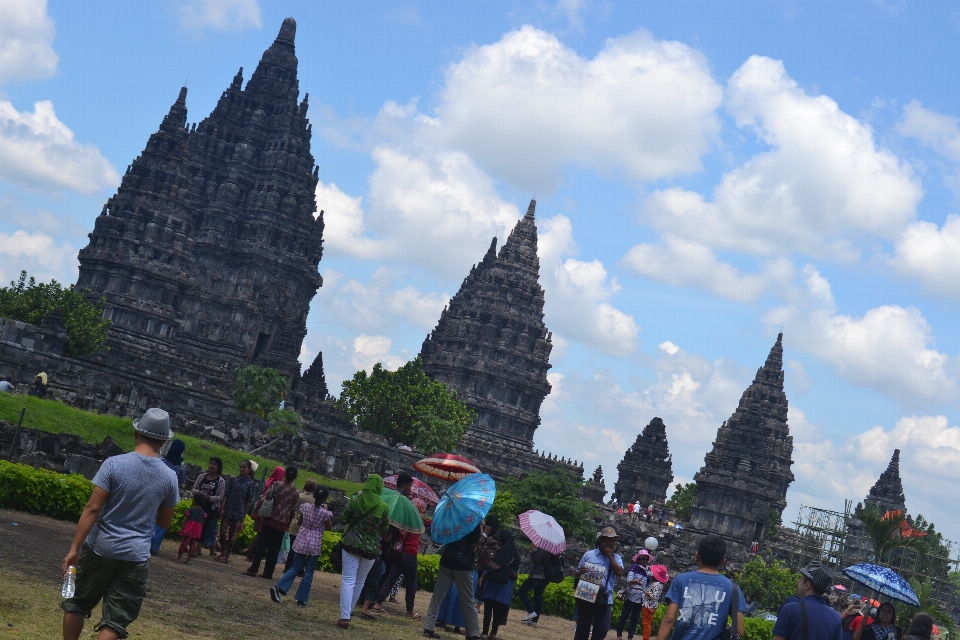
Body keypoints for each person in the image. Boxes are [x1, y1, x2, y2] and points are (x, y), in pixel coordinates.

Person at [60, 407, 179, 640]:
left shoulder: (114, 464)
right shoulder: (169, 477)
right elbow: (164, 521)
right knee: (115, 620)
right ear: (164, 441)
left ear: (136, 433)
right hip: (135, 555)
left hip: (100, 547)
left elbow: (93, 508)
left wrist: (74, 548)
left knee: (78, 603)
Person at [656, 536, 746, 640]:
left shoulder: (681, 580)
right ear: (722, 561)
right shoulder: (733, 588)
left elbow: (669, 619)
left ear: (697, 556)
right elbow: (739, 631)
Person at [337, 474, 391, 629]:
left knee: (348, 580)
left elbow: (342, 519)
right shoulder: (383, 508)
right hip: (370, 549)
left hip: (351, 545)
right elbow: (385, 530)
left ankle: (345, 616)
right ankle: (347, 614)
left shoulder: (355, 501)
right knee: (359, 582)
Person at [270, 486, 332, 608]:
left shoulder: (305, 508)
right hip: (314, 542)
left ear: (313, 496)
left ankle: (278, 586)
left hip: (302, 539)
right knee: (308, 572)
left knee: (294, 567)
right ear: (325, 499)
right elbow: (329, 527)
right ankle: (301, 599)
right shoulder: (325, 513)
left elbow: (299, 522)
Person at [423, 519, 484, 640]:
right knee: (467, 599)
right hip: (463, 565)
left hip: (447, 560)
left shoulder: (452, 519)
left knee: (437, 596)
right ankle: (473, 633)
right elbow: (474, 546)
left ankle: (428, 627)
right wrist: (481, 529)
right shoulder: (473, 523)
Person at [371, 484, 423, 619]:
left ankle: (378, 603)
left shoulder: (402, 521)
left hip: (399, 554)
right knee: (411, 584)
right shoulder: (416, 523)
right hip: (410, 555)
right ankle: (410, 610)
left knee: (391, 579)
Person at [244, 466, 300, 580]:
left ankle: (254, 568)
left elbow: (264, 497)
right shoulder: (295, 492)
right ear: (295, 477)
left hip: (270, 520)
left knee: (262, 546)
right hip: (282, 524)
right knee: (274, 549)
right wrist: (287, 524)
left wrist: (255, 510)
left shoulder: (277, 485)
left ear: (285, 475)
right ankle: (268, 572)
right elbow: (293, 510)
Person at [575, 527, 625, 640]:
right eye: (608, 540)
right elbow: (577, 572)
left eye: (613, 540)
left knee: (602, 629)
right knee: (582, 628)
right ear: (602, 540)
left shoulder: (617, 558)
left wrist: (610, 556)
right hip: (587, 594)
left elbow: (619, 572)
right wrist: (580, 573)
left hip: (605, 597)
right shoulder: (589, 555)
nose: (611, 543)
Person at [773, 560, 843, 640]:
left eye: (800, 579)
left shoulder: (790, 609)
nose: (797, 582)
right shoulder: (836, 618)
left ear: (807, 585)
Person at [478, 526, 520, 639]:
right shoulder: (516, 555)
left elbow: (492, 566)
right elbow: (515, 573)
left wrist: (483, 576)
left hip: (493, 584)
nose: (499, 542)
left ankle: (484, 633)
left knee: (488, 608)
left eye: (500, 540)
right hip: (506, 586)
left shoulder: (502, 551)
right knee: (498, 611)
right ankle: (493, 634)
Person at [150, 439, 187, 555]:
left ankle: (146, 543)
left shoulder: (162, 461)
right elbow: (181, 481)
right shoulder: (181, 467)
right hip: (169, 494)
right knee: (162, 521)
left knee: (151, 517)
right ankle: (154, 547)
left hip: (156, 491)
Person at [216, 460, 256, 563]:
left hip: (239, 511)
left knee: (232, 534)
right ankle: (223, 551)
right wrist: (222, 507)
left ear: (249, 469)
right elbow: (227, 494)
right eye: (241, 467)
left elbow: (249, 500)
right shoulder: (234, 480)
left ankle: (227, 555)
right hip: (228, 508)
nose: (242, 469)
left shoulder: (250, 483)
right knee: (223, 531)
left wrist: (244, 514)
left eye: (244, 467)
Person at [191, 457, 225, 557]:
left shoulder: (220, 481)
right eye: (210, 463)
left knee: (203, 527)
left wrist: (209, 498)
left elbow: (220, 496)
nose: (212, 466)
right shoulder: (202, 477)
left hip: (211, 508)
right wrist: (199, 493)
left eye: (214, 464)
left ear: (218, 467)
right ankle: (196, 548)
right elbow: (193, 489)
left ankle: (195, 549)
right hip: (198, 505)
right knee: (194, 525)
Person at [617, 549, 652, 640]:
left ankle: (630, 637)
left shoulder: (648, 572)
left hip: (640, 597)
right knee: (624, 616)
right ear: (639, 559)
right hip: (631, 595)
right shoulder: (634, 568)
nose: (644, 560)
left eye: (646, 559)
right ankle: (619, 635)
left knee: (635, 619)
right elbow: (629, 581)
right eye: (643, 558)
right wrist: (635, 581)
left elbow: (647, 585)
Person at [284, 477, 318, 572]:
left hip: (295, 523)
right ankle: (299, 568)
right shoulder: (315, 500)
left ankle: (288, 567)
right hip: (307, 526)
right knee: (303, 549)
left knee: (292, 548)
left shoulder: (299, 496)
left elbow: (292, 509)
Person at [518, 543, 553, 626]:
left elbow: (535, 560)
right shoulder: (552, 548)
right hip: (545, 577)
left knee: (521, 592)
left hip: (538, 575)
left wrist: (533, 549)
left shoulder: (545, 548)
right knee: (538, 597)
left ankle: (531, 611)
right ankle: (535, 620)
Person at [642, 564, 669, 640]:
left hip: (649, 606)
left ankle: (646, 638)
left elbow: (653, 596)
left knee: (646, 623)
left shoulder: (657, 584)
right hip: (652, 606)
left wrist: (644, 591)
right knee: (647, 623)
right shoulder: (659, 584)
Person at [177, 495, 207, 564]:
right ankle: (188, 560)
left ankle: (179, 558)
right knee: (192, 545)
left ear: (195, 501)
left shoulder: (190, 511)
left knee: (183, 543)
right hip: (196, 531)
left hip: (188, 529)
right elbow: (202, 524)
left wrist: (182, 529)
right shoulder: (203, 514)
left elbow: (185, 520)